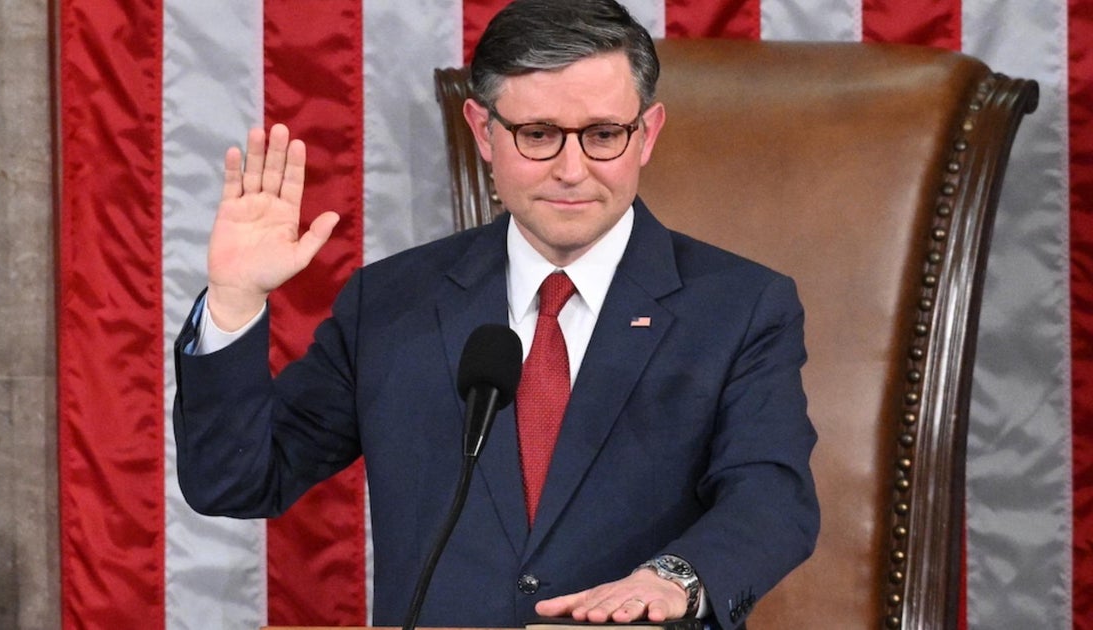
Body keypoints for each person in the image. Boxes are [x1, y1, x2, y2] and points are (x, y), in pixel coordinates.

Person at [172, 1, 818, 628]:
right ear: (483, 131)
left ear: (646, 134)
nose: (572, 170)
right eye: (538, 135)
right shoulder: (391, 305)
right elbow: (237, 480)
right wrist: (234, 300)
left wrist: (673, 579)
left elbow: (771, 498)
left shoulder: (740, 308)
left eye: (602, 135)